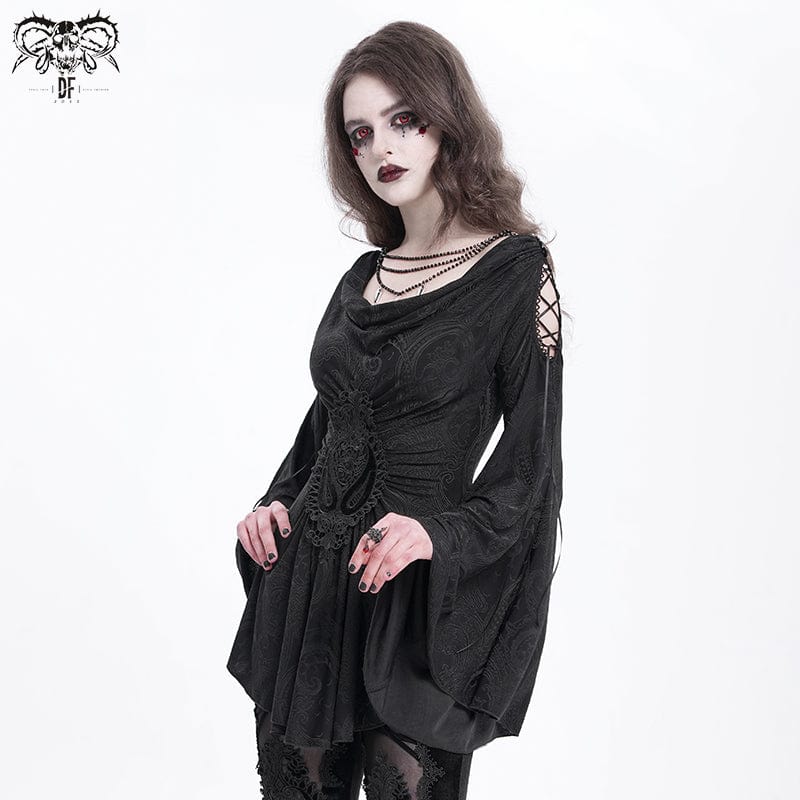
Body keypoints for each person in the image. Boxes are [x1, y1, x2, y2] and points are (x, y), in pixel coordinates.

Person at [227, 20, 565, 800]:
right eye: (361, 134)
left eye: (403, 119)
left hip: (412, 603)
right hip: (307, 590)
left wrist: (435, 533)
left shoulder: (519, 272)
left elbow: (531, 472)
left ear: (447, 117)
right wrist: (273, 504)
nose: (383, 146)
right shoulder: (360, 280)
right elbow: (326, 433)